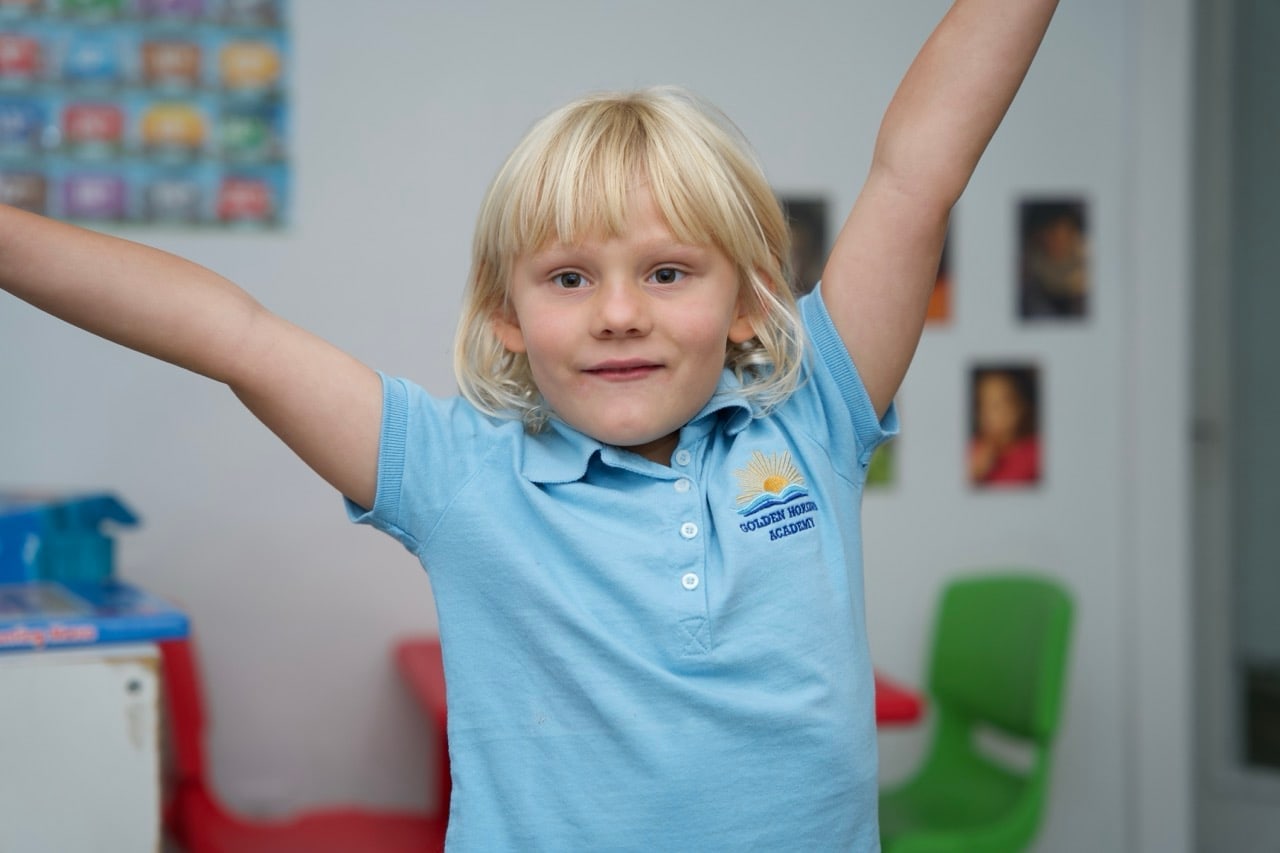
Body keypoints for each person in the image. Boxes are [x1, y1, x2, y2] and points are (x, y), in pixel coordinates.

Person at [0, 1, 1060, 848]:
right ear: (506, 317)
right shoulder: (456, 475)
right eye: (566, 276)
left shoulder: (812, 418)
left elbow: (918, 171)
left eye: (667, 271)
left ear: (747, 300)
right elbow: (228, 332)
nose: (616, 311)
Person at [969, 366, 1042, 486]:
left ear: (1019, 408)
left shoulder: (1035, 454)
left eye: (997, 406)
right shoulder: (973, 450)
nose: (987, 415)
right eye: (981, 405)